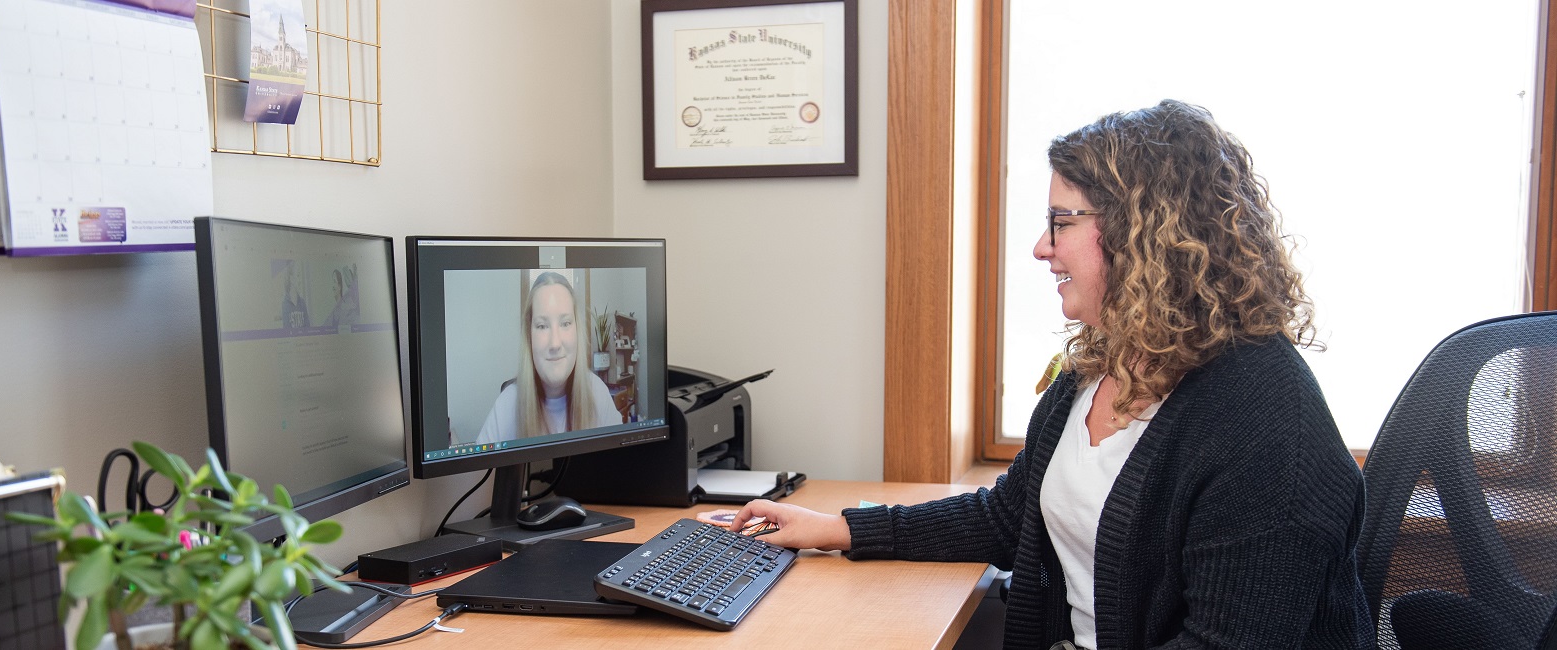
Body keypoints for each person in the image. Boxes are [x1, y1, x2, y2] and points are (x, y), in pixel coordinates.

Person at [730, 100, 1376, 649]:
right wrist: (836, 528)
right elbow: (1010, 517)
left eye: (1061, 223)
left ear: (1145, 234)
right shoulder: (1105, 359)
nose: (1042, 247)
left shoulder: (1267, 423)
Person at [476, 271, 620, 444]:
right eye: (542, 326)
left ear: (577, 331)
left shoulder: (598, 394)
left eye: (565, 323)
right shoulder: (506, 406)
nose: (555, 343)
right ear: (529, 337)